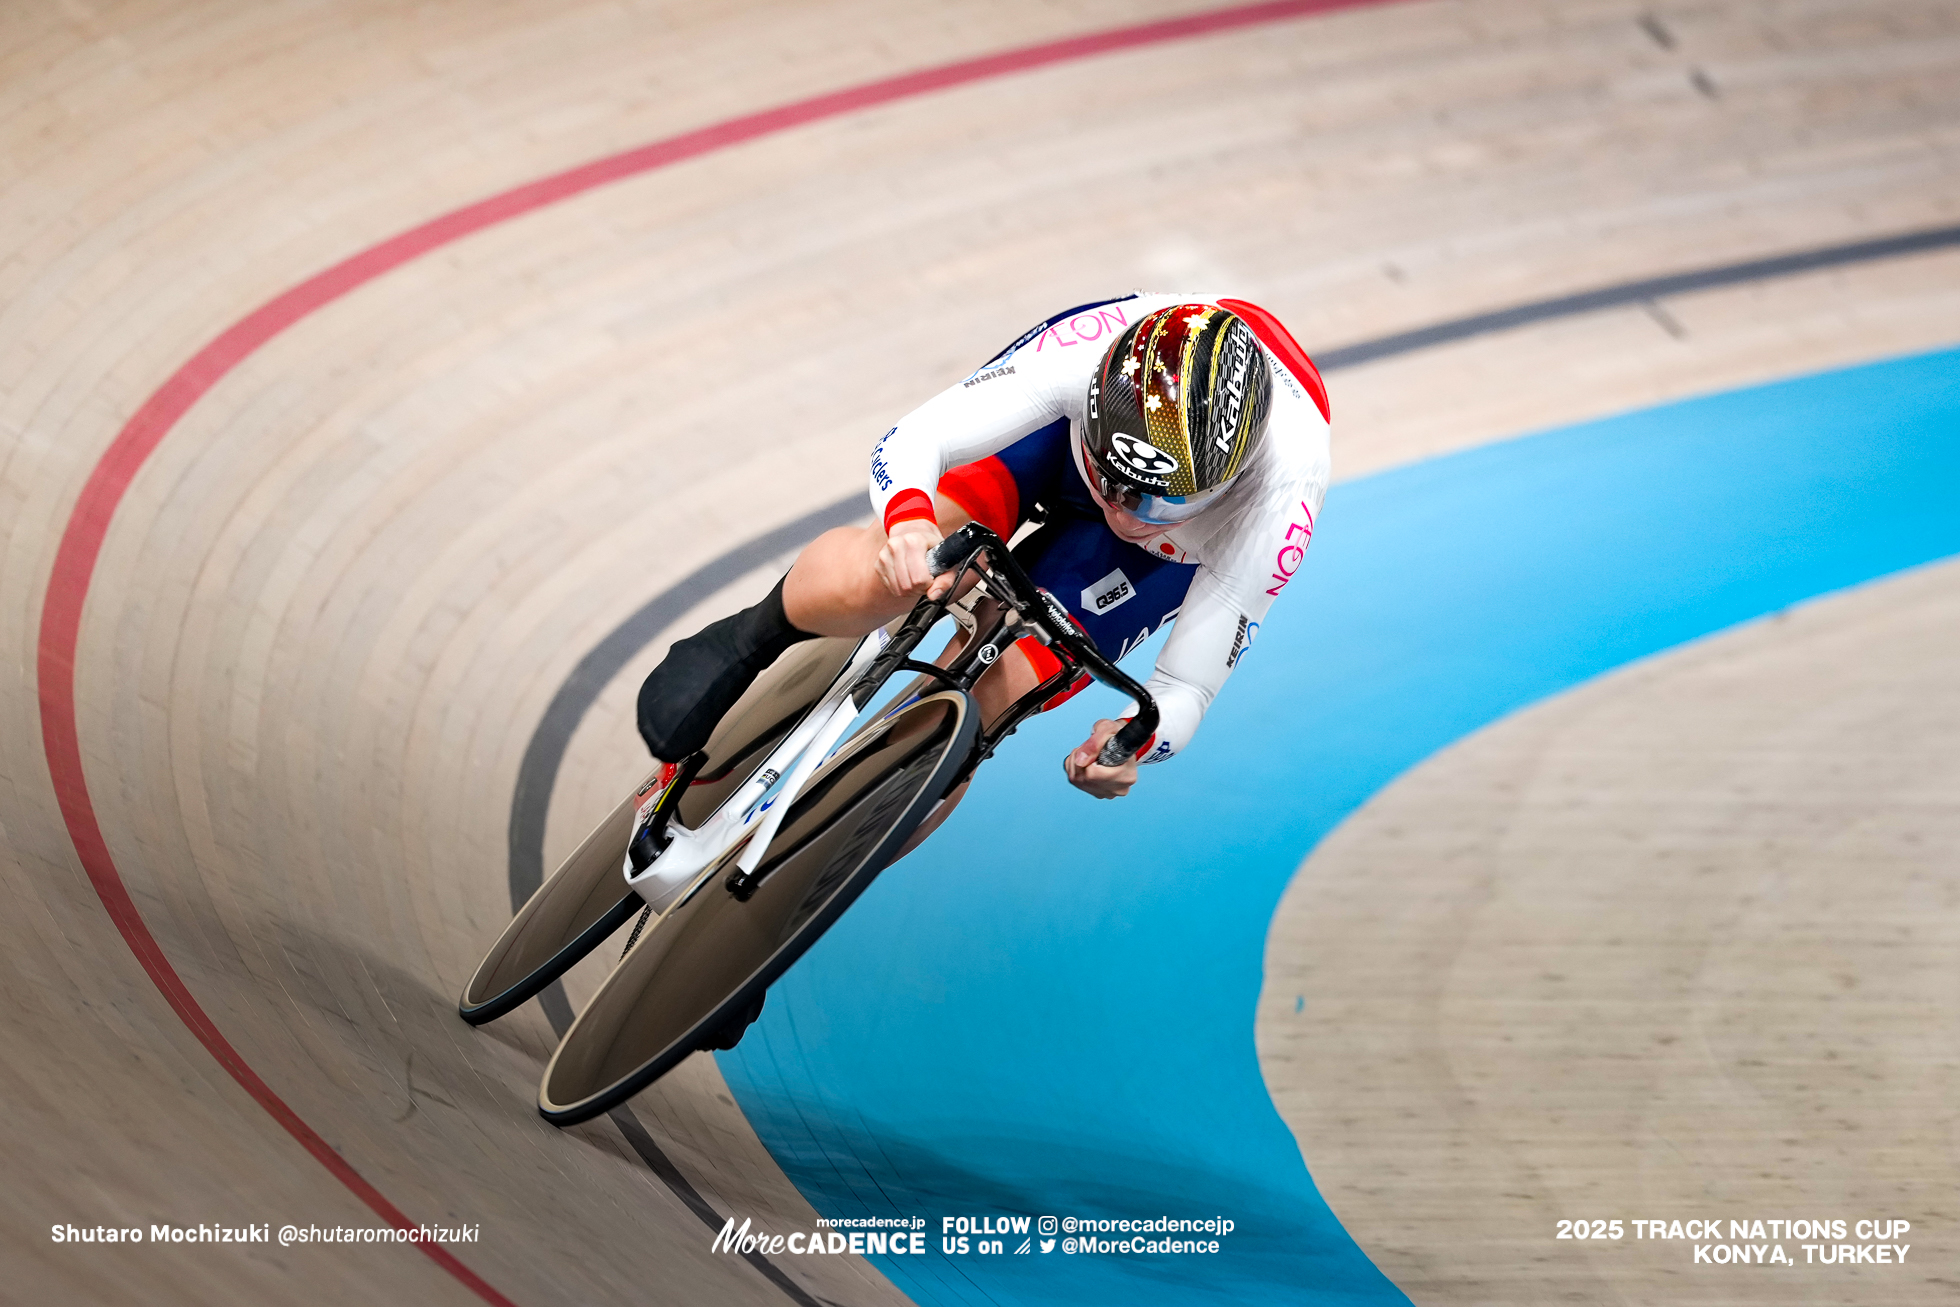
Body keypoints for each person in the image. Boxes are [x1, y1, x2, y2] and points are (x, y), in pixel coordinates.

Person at [635, 292, 1331, 800]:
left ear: (1223, 488)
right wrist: (907, 524)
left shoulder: (1276, 505)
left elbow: (1185, 687)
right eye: (1112, 480)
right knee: (902, 570)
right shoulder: (1079, 356)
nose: (1120, 508)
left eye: (1150, 499)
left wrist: (1132, 742)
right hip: (1052, 448)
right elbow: (920, 439)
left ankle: (784, 904)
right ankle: (752, 636)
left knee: (985, 705)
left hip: (1162, 557)